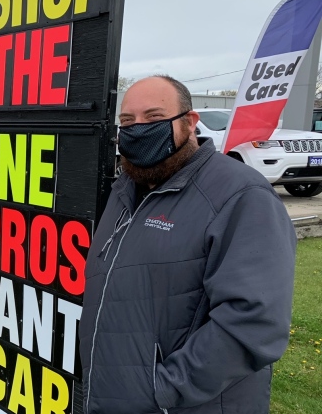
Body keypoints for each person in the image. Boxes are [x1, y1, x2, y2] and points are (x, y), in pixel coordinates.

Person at [79, 75, 296, 413]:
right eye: (127, 121)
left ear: (190, 123)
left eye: (154, 118)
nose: (138, 129)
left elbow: (254, 322)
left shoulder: (240, 195)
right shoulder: (125, 190)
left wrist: (162, 392)